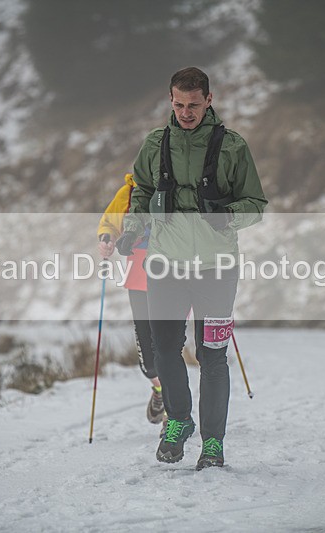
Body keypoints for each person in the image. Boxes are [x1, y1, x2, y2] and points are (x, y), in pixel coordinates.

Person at [116, 67, 266, 470]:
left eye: (193, 105)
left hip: (217, 269)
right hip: (164, 265)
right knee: (165, 349)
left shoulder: (232, 147)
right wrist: (131, 229)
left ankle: (213, 444)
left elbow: (255, 205)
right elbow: (142, 192)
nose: (185, 112)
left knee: (212, 356)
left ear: (209, 100)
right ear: (171, 101)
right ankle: (179, 421)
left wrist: (227, 216)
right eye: (179, 105)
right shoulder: (154, 144)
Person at [97, 174, 165, 427]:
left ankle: (174, 410)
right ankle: (159, 390)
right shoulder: (130, 191)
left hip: (177, 274)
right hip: (139, 277)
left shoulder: (185, 184)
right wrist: (107, 239)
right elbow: (109, 224)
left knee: (168, 344)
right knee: (148, 358)